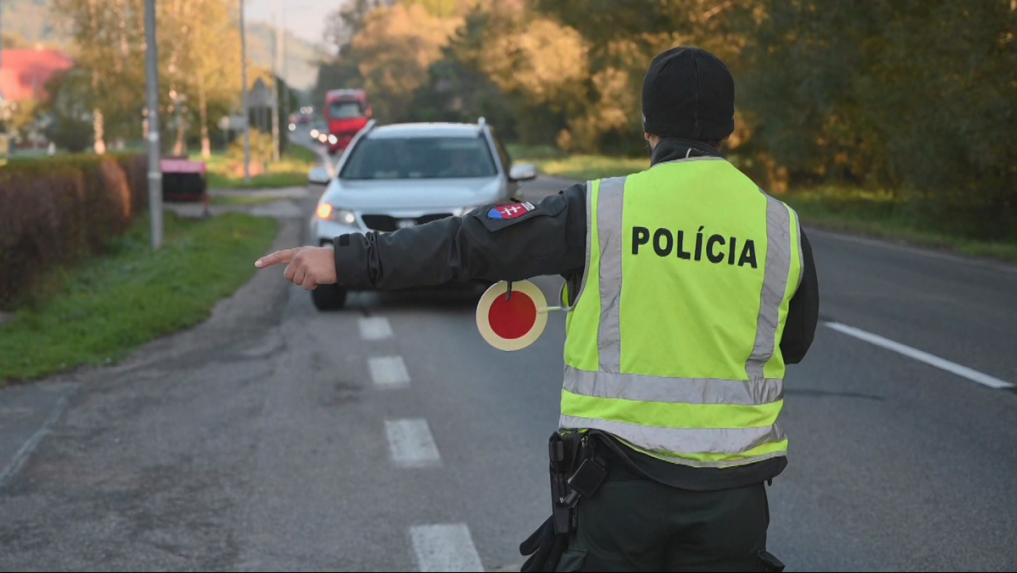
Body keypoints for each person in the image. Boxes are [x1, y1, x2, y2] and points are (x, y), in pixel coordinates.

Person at [256, 46, 819, 573]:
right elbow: (790, 344)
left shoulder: (600, 209)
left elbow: (471, 243)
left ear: (648, 128)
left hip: (618, 494)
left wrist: (347, 261)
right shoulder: (780, 228)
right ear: (731, 128)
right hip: (734, 503)